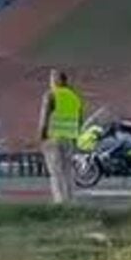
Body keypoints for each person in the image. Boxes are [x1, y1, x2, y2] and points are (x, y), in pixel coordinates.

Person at [39, 69, 83, 204]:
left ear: (58, 80)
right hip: (70, 139)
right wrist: (75, 136)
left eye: (52, 79)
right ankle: (71, 201)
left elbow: (44, 118)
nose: (51, 82)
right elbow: (80, 120)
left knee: (56, 173)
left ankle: (60, 203)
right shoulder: (75, 97)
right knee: (68, 172)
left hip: (53, 139)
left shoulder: (51, 95)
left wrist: (41, 136)